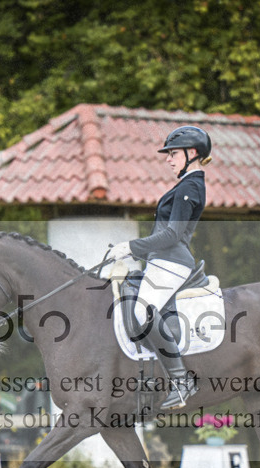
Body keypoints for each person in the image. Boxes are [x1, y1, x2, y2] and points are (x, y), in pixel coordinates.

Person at [107, 125, 212, 409]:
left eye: (173, 153)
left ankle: (181, 381)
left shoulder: (191, 186)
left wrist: (130, 247)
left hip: (172, 261)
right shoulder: (185, 184)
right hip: (159, 261)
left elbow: (172, 235)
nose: (168, 159)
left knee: (142, 312)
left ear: (192, 153)